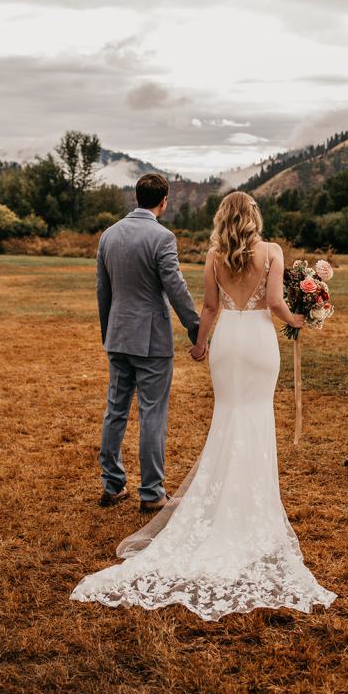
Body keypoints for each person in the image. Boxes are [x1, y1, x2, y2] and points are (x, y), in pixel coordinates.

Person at [71, 190, 337, 620]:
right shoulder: (272, 251)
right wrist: (297, 319)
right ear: (253, 216)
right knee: (255, 417)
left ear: (222, 219)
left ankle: (219, 503)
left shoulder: (214, 256)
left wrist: (199, 345)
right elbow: (274, 304)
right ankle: (254, 505)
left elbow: (210, 308)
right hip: (258, 342)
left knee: (228, 416)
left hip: (228, 342)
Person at [94, 172, 201, 511]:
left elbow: (103, 290)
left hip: (118, 336)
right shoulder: (162, 237)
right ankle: (152, 492)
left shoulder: (108, 236)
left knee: (116, 411)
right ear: (164, 201)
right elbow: (175, 287)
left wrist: (107, 331)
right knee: (152, 413)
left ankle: (112, 485)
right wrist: (195, 327)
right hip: (152, 340)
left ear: (135, 197)